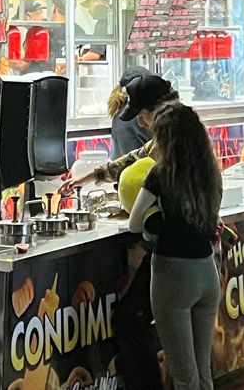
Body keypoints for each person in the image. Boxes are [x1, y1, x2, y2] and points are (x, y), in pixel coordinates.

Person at [83, 71, 179, 390]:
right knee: (188, 351)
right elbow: (131, 159)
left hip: (175, 256)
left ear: (157, 111)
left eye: (141, 116)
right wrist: (94, 175)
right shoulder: (174, 137)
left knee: (132, 319)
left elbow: (138, 221)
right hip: (198, 256)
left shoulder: (168, 150)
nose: (139, 124)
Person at [130, 102, 223, 390]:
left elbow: (134, 223)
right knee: (203, 372)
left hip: (173, 275)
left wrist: (153, 221)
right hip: (208, 273)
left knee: (184, 377)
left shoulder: (160, 174)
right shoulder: (211, 173)